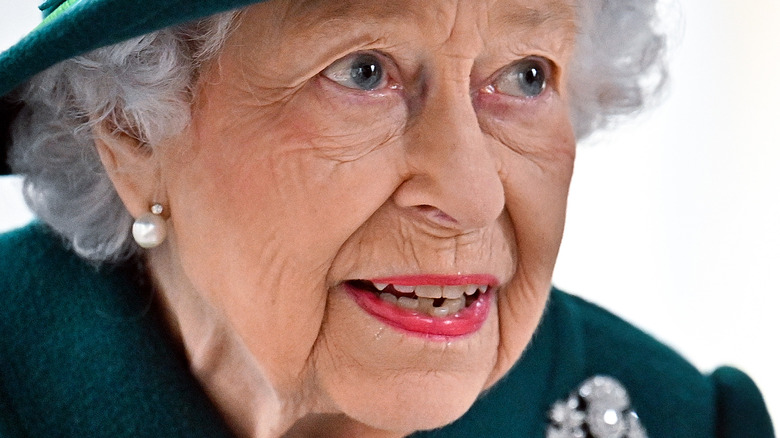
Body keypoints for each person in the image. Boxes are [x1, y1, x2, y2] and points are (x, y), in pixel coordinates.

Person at [0, 0, 774, 437]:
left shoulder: (684, 423)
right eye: (363, 71)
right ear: (133, 134)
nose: (474, 197)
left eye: (526, 75)